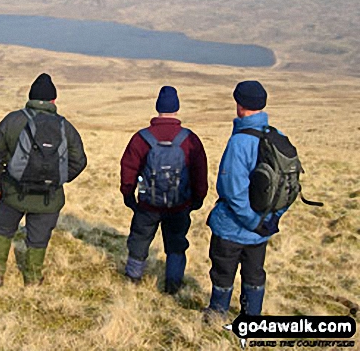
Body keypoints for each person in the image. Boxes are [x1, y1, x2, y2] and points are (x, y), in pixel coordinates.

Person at [0, 73, 87, 287]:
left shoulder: (13, 120)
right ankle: (32, 278)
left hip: (12, 191)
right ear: (53, 101)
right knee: (38, 238)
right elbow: (79, 161)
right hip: (49, 198)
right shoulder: (64, 126)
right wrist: (59, 179)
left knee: (3, 229)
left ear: (30, 97)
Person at [204, 80, 289, 319]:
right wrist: (269, 219)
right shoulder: (278, 137)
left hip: (233, 227)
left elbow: (232, 190)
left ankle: (217, 313)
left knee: (223, 272)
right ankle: (252, 316)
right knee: (254, 273)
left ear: (239, 105)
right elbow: (288, 186)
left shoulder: (239, 141)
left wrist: (251, 221)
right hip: (263, 227)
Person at [120, 86, 208, 294]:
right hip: (180, 204)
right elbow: (199, 172)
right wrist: (197, 198)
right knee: (176, 244)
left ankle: (133, 278)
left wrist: (128, 195)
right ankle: (173, 285)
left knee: (139, 239)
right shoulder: (189, 139)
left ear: (157, 107)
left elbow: (129, 169)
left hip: (147, 205)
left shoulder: (141, 138)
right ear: (177, 109)